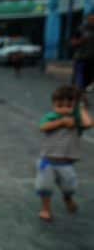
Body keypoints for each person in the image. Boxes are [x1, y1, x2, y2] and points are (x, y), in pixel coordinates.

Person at [35, 85, 94, 221]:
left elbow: (89, 123)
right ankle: (45, 209)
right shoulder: (51, 116)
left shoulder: (77, 121)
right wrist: (60, 121)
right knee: (45, 186)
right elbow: (42, 126)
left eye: (69, 106)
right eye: (59, 105)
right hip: (47, 161)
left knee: (69, 186)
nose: (64, 109)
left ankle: (68, 198)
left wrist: (81, 108)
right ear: (53, 104)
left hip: (66, 163)